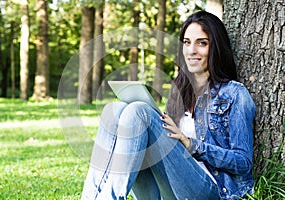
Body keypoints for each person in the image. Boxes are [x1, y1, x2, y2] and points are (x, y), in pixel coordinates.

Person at [81, 11, 256, 200]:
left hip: (211, 189)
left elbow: (243, 162)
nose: (191, 50)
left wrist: (191, 144)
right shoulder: (180, 91)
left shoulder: (235, 94)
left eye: (202, 43)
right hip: (170, 188)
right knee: (112, 110)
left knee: (140, 112)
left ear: (216, 48)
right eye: (187, 42)